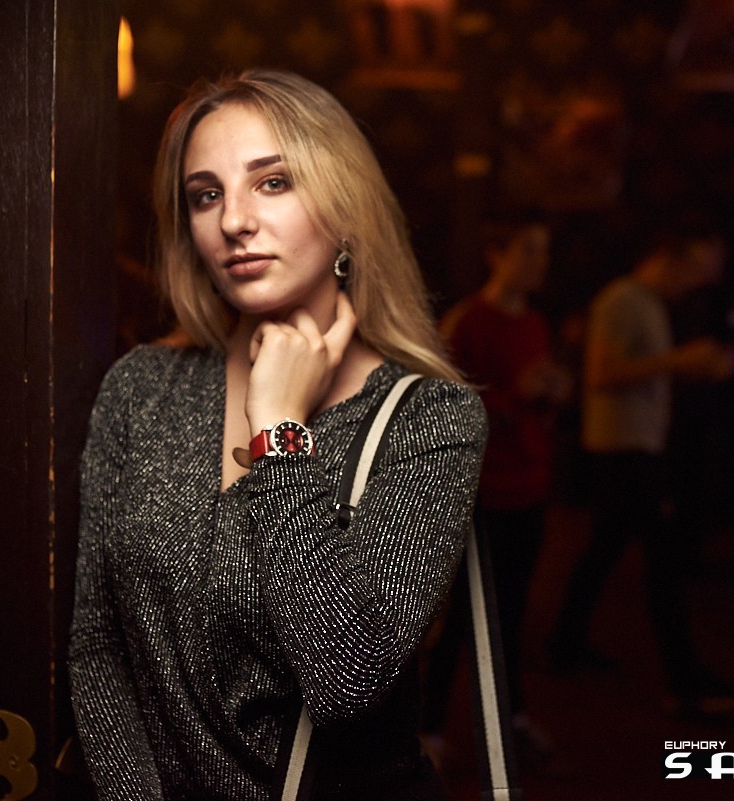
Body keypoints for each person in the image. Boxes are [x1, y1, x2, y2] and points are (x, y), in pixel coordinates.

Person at [68, 69, 487, 800]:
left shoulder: (431, 417)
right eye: (206, 195)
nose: (234, 220)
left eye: (273, 182)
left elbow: (347, 678)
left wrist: (281, 431)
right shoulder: (142, 387)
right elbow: (98, 645)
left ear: (346, 206)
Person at [546, 228, 734, 716]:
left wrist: (690, 367)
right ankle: (684, 680)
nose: (696, 284)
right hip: (625, 448)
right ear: (668, 257)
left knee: (605, 550)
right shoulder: (623, 300)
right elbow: (601, 376)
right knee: (663, 560)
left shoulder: (646, 303)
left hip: (631, 445)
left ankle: (565, 644)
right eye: (695, 270)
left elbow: (636, 371)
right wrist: (680, 360)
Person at [425, 214, 569, 769]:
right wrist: (515, 397)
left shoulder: (534, 323)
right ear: (497, 254)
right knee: (463, 614)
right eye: (528, 250)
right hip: (481, 491)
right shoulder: (467, 323)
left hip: (529, 485)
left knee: (512, 610)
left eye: (544, 252)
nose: (539, 263)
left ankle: (511, 717)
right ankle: (430, 727)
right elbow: (445, 415)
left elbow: (535, 412)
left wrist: (551, 396)